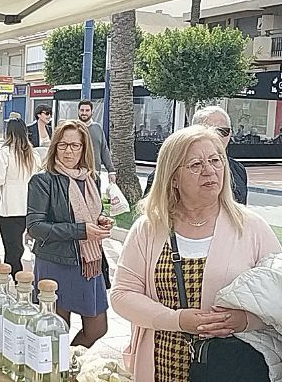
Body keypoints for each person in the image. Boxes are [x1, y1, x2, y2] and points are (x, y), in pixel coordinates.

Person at [110, 125, 281, 382]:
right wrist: (176, 320)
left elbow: (277, 295)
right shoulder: (149, 227)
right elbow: (122, 295)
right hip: (161, 364)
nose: (209, 171)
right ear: (173, 177)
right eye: (195, 165)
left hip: (230, 367)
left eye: (215, 160)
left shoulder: (251, 227)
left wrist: (244, 320)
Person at [27, 119, 112, 348]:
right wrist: (81, 231)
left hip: (89, 264)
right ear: (55, 146)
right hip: (55, 263)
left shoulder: (91, 178)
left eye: (75, 145)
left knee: (97, 328)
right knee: (56, 332)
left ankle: (70, 359)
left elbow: (88, 213)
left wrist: (100, 221)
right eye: (63, 145)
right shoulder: (43, 181)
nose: (68, 151)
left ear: (85, 149)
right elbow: (35, 226)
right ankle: (59, 369)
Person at [144, 106, 248, 205]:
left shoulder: (238, 170)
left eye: (223, 131)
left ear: (230, 133)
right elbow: (155, 211)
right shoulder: (169, 170)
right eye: (207, 130)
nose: (215, 136)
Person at [0, 117, 41, 278]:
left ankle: (13, 275)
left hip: (8, 206)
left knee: (10, 245)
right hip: (27, 205)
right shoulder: (32, 154)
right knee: (18, 243)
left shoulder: (5, 152)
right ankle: (15, 274)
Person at [77, 100, 116, 184]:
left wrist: (111, 171)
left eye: (87, 110)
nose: (84, 113)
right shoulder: (72, 128)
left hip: (95, 173)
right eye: (82, 110)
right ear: (78, 111)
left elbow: (104, 150)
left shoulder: (97, 128)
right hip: (76, 173)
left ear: (92, 112)